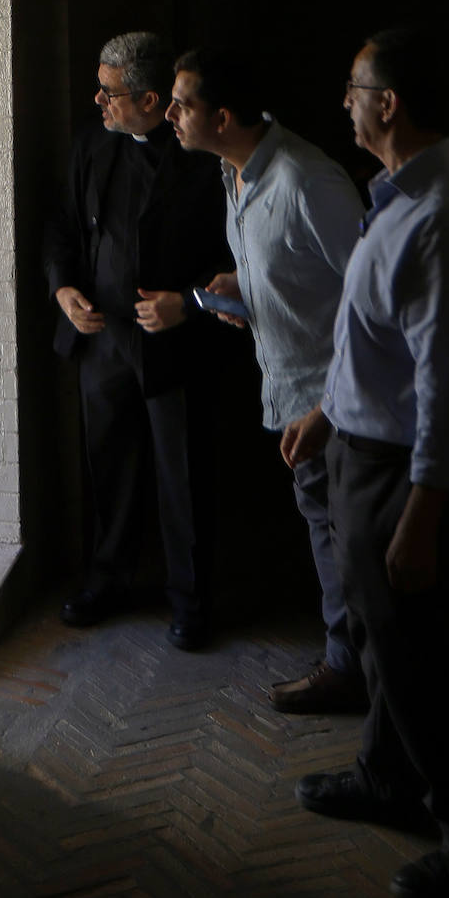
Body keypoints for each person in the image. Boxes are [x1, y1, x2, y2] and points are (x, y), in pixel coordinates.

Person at [281, 26, 449, 898]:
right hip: (366, 451)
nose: (343, 100)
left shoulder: (441, 220)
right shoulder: (396, 198)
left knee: (429, 669)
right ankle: (387, 778)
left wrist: (423, 513)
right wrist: (327, 412)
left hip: (406, 477)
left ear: (389, 104)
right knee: (391, 648)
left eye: (354, 87)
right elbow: (381, 345)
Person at [165, 48, 366, 713]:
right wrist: (242, 288)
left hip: (336, 402)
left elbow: (370, 304)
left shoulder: (310, 183)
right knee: (326, 534)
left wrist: (331, 406)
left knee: (351, 544)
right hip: (290, 390)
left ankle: (363, 677)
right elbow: (296, 275)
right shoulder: (236, 174)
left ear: (221, 117)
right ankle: (350, 664)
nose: (169, 113)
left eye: (182, 103)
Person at [44, 32, 229, 650]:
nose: (97, 101)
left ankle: (192, 599)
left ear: (151, 100)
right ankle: (110, 578)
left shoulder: (203, 159)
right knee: (111, 467)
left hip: (173, 342)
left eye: (110, 92)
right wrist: (64, 288)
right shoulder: (93, 144)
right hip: (103, 340)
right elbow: (63, 226)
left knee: (184, 475)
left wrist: (191, 305)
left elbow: (235, 255)